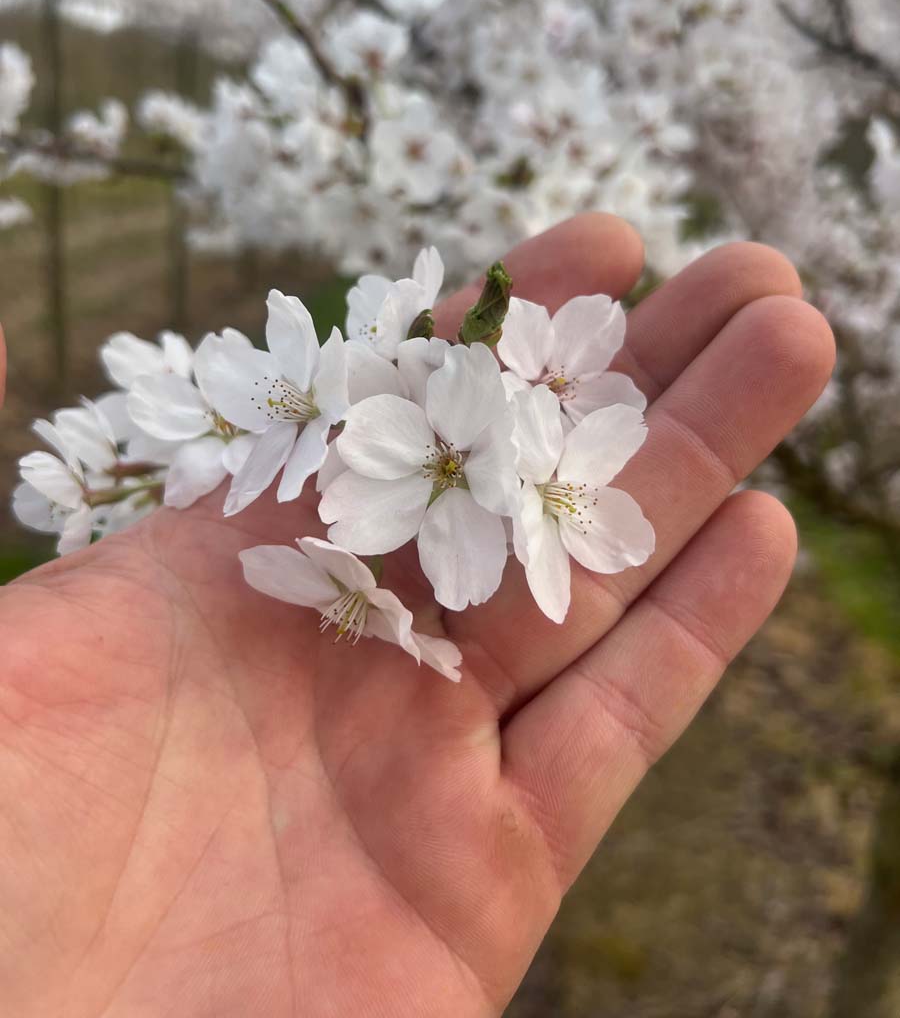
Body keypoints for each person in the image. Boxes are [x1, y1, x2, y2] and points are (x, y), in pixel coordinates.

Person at [0, 212, 835, 1017]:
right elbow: (403, 458)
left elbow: (489, 461)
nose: (446, 463)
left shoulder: (514, 462)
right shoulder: (400, 459)